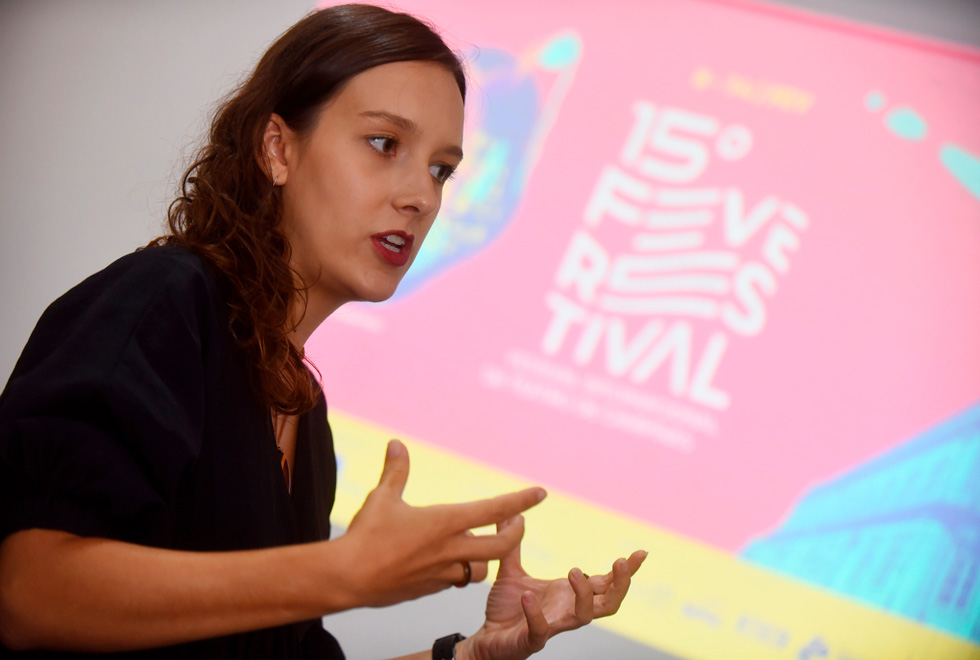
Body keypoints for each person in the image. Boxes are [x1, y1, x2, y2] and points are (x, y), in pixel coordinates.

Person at [0, 4, 645, 658]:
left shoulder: (305, 416)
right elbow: (27, 591)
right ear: (278, 149)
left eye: (440, 168)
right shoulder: (162, 302)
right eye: (385, 144)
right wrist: (340, 574)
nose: (421, 196)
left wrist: (476, 652)